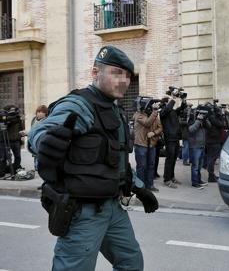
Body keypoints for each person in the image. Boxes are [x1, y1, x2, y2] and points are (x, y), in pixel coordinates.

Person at [27, 45, 158, 270]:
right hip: (83, 212)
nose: (124, 81)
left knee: (131, 263)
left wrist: (139, 187)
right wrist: (46, 143)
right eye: (116, 73)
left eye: (127, 76)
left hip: (113, 208)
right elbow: (40, 133)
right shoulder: (80, 105)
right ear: (95, 73)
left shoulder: (113, 110)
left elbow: (116, 159)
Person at [133, 99, 163, 192]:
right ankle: (141, 188)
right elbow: (147, 123)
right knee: (142, 166)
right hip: (141, 144)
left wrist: (154, 133)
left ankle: (150, 185)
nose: (151, 107)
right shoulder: (138, 115)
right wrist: (154, 111)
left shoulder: (153, 115)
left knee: (150, 165)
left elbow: (160, 127)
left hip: (151, 145)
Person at [159, 95, 183, 188]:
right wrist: (172, 99)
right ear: (166, 103)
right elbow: (167, 109)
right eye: (169, 101)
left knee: (173, 159)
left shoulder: (172, 111)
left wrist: (183, 101)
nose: (172, 103)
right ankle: (167, 179)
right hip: (169, 139)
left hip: (176, 138)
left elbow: (180, 109)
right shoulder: (163, 111)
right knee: (169, 159)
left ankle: (172, 177)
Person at [188, 108, 210, 189]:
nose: (202, 115)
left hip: (202, 146)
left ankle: (199, 180)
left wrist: (205, 119)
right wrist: (198, 120)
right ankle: (195, 182)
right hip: (195, 146)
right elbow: (191, 129)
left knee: (199, 166)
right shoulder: (192, 120)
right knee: (195, 166)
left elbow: (209, 126)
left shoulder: (202, 121)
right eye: (200, 114)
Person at [205, 103, 225, 182]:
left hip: (212, 140)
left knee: (211, 158)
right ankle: (211, 176)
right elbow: (221, 124)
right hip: (213, 141)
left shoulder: (210, 117)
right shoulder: (211, 117)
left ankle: (211, 175)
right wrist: (220, 115)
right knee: (212, 159)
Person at [30, 105, 48, 171]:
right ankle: (37, 166)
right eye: (38, 111)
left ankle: (40, 167)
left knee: (41, 154)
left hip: (42, 139)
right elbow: (32, 129)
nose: (39, 113)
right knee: (35, 154)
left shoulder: (47, 120)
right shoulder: (34, 120)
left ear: (45, 113)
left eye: (42, 112)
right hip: (33, 139)